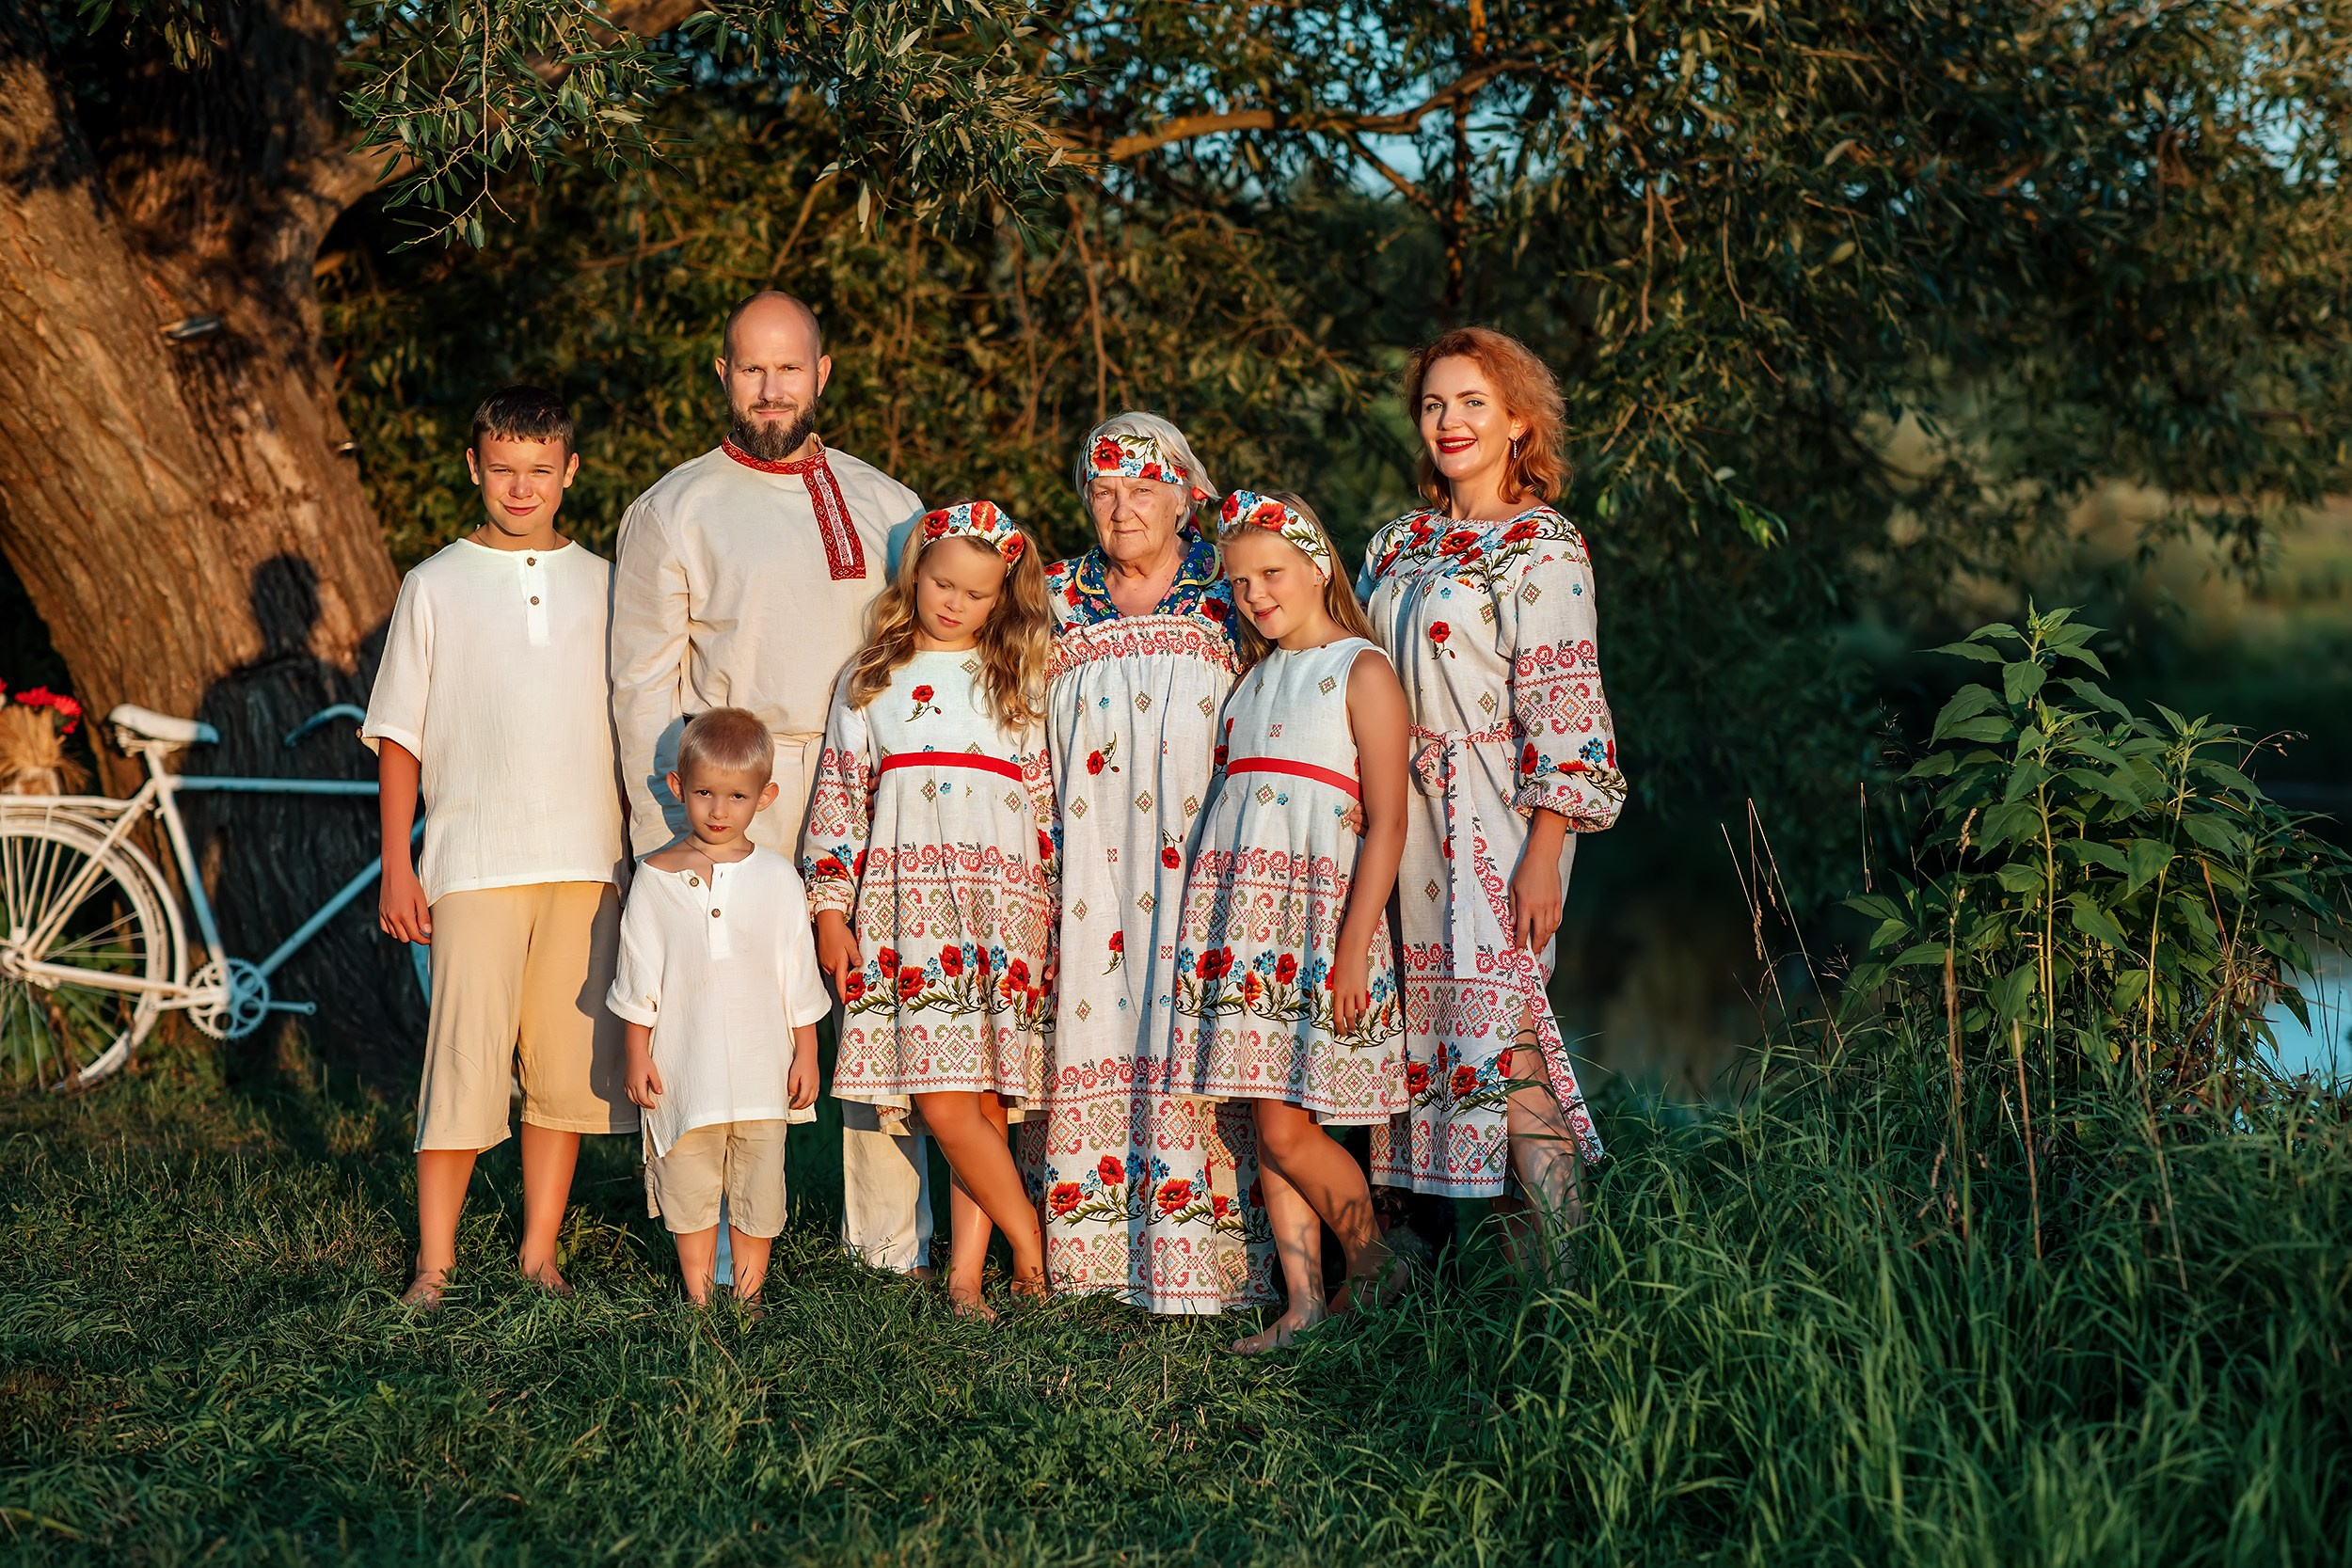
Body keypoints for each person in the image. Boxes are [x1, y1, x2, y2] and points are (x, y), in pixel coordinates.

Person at [608, 291, 934, 1278]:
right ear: (723, 374)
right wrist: (662, 841)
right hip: (733, 792)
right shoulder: (673, 508)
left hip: (871, 781)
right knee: (715, 1012)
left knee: (879, 1003)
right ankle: (708, 1242)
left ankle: (887, 1246)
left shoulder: (892, 505)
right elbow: (641, 689)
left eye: (789, 367)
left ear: (821, 374)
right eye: (751, 368)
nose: (770, 388)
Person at [1357, 327, 1626, 1265]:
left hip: (1494, 820)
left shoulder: (1541, 544)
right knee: (1414, 1048)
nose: (1450, 421)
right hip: (1396, 821)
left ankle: (1567, 1281)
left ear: (1517, 420)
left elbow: (1564, 700)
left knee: (1506, 1047)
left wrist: (1545, 849)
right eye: (1434, 404)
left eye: (1473, 402)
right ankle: (1419, 1279)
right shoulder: (1397, 543)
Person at [365, 385, 634, 1310]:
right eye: (504, 469)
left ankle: (538, 1252)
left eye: (540, 470)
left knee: (562, 1073)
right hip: (472, 858)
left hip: (587, 859)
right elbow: (399, 733)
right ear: (474, 467)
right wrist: (398, 863)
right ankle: (434, 1262)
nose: (522, 488)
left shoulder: (608, 585)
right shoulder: (434, 583)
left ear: (570, 472)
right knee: (460, 1064)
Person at [1030, 414, 1277, 1315]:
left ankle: (1210, 1269)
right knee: (1091, 1029)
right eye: (1103, 491)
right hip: (1085, 873)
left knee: (1197, 1044)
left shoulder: (1232, 589)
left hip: (1201, 867)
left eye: (1142, 489)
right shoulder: (1053, 598)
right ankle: (1091, 1263)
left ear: (1186, 499)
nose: (1122, 508)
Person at [1169, 490, 1411, 1352]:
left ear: (1317, 566)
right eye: (1239, 582)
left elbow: (1389, 822)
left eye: (1272, 573)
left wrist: (1353, 950)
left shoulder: (1360, 669)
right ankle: (1303, 1304)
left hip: (1318, 928)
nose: (1256, 594)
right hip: (1247, 927)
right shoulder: (1251, 680)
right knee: (1268, 1120)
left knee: (1285, 1125)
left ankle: (1376, 1259)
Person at [803, 500, 1057, 1318]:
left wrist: (1054, 916)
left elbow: (1046, 810)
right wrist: (829, 908)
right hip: (906, 908)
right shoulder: (872, 676)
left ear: (1002, 598)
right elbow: (840, 797)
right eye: (943, 583)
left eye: (978, 594)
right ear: (916, 573)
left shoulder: (1019, 677)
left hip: (1004, 907)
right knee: (942, 1099)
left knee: (982, 1103)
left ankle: (965, 1278)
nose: (956, 602)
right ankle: (1031, 1242)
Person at [610, 707, 830, 1311]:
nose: (718, 810)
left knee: (759, 1192)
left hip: (762, 1075)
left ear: (765, 797)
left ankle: (750, 1299)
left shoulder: (777, 878)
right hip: (684, 1073)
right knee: (689, 1192)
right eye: (704, 792)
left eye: (737, 796)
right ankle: (701, 1299)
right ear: (678, 787)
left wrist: (807, 1053)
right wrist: (637, 1054)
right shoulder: (654, 878)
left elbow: (798, 975)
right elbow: (638, 977)